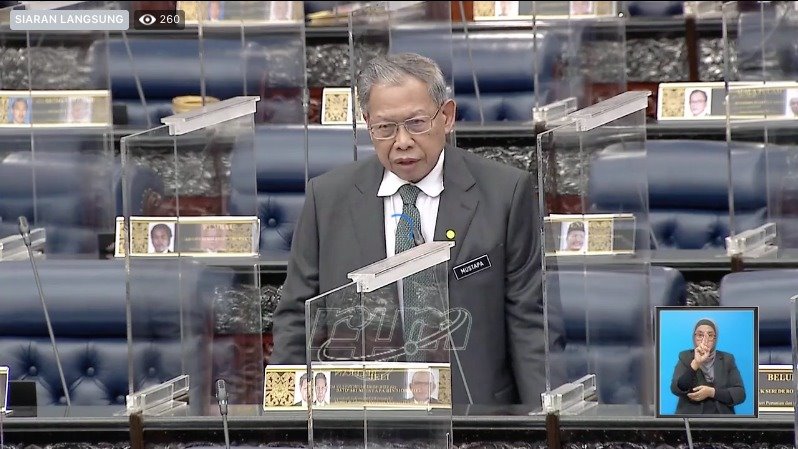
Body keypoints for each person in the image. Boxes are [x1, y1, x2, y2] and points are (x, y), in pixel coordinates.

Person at [271, 52, 565, 407]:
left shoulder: (505, 193)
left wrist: (544, 421)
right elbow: (297, 316)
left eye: (416, 123)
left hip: (474, 414)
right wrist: (284, 417)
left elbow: (530, 322)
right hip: (361, 412)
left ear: (447, 116)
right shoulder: (327, 198)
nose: (402, 141)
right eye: (385, 127)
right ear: (367, 124)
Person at [670, 318, 746, 415]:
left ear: (715, 338)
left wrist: (712, 392)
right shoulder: (685, 357)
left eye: (710, 335)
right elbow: (676, 389)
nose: (704, 339)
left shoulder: (727, 359)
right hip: (690, 420)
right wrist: (696, 363)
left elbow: (740, 394)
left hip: (721, 421)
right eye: (700, 335)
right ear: (694, 337)